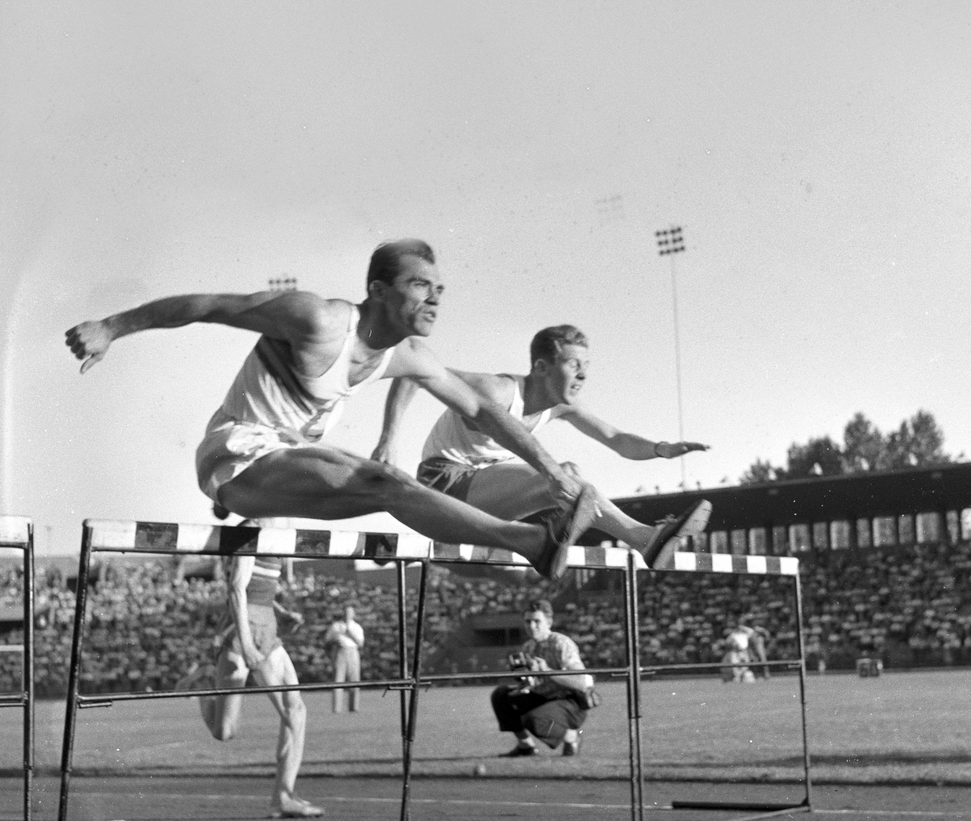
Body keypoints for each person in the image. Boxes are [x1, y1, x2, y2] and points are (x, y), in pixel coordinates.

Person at [65, 240, 600, 580]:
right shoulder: (318, 320)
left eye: (440, 289)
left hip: (288, 460)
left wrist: (550, 471)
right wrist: (111, 327)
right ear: (377, 290)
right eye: (420, 286)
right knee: (385, 480)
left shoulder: (407, 355)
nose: (435, 299)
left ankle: (531, 543)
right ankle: (531, 542)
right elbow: (207, 307)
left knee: (393, 490)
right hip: (236, 454)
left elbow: (484, 412)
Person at [373, 323, 712, 567]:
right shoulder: (498, 391)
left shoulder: (562, 407)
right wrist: (389, 439)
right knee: (559, 476)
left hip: (485, 491)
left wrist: (661, 448)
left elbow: (616, 439)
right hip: (442, 484)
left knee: (569, 478)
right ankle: (618, 536)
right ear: (541, 367)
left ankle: (642, 539)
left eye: (586, 366)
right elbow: (412, 371)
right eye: (573, 364)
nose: (583, 375)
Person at [184, 524, 323, 819]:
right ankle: (203, 683)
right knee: (224, 732)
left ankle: (283, 797)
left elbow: (259, 591)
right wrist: (246, 645)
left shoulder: (280, 533)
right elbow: (236, 588)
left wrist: (284, 614)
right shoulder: (250, 530)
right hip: (240, 632)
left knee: (295, 710)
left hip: (268, 631)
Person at [490, 598, 596, 757]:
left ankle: (571, 735)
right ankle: (526, 746)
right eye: (528, 621)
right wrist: (523, 678)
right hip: (543, 696)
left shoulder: (561, 644)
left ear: (549, 622)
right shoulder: (528, 647)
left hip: (568, 701)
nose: (531, 626)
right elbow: (533, 682)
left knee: (534, 720)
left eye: (537, 621)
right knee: (501, 695)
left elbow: (582, 683)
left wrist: (547, 671)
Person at [325, 604, 364, 713]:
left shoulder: (356, 627)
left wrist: (349, 633)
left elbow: (360, 643)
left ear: (353, 614)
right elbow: (327, 640)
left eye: (350, 612)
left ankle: (354, 707)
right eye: (346, 612)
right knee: (338, 680)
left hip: (352, 651)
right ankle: (337, 708)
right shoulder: (336, 626)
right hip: (340, 651)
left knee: (354, 680)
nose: (347, 614)